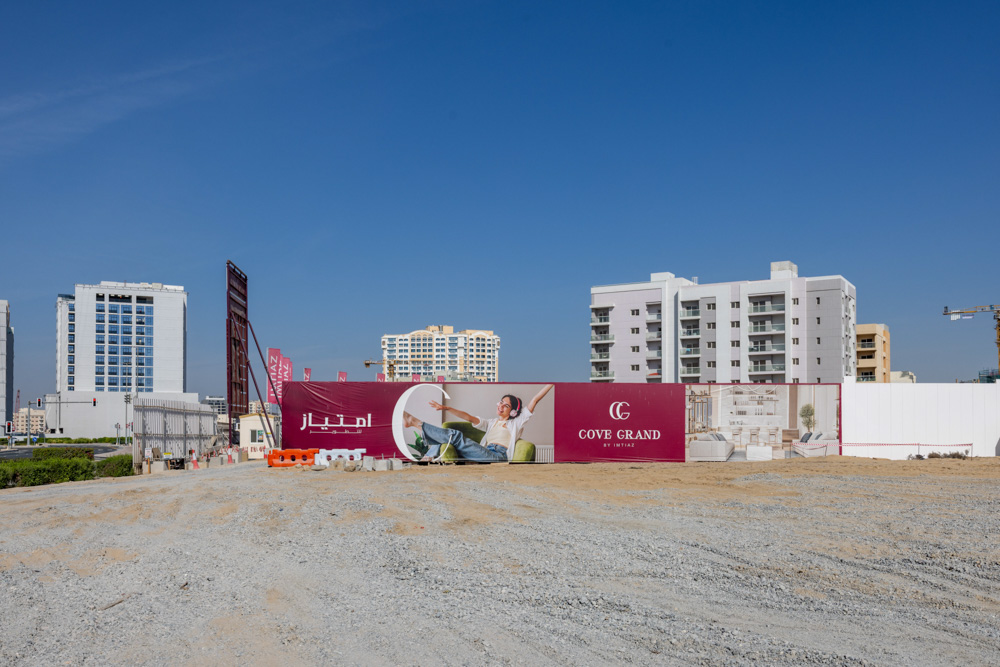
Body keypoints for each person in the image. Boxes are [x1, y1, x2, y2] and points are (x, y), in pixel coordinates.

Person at [402, 384, 554, 462]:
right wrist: (446, 408)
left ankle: (415, 422)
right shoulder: (491, 423)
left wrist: (551, 383)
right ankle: (428, 457)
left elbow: (535, 400)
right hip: (484, 452)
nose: (501, 406)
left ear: (513, 411)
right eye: (501, 402)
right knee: (448, 437)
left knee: (455, 435)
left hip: (497, 457)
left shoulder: (516, 423)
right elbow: (468, 417)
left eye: (506, 405)